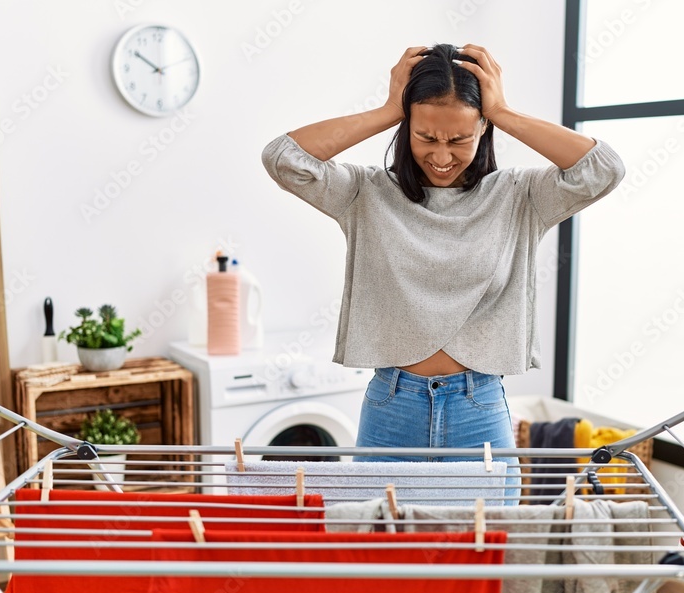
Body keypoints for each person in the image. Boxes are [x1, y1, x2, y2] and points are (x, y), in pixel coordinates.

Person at [262, 43, 625, 502]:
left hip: (479, 409)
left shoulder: (521, 196)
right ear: (405, 128)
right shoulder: (365, 192)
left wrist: (502, 110)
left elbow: (604, 168)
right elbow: (283, 157)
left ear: (483, 131)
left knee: (483, 558)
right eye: (425, 136)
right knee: (380, 559)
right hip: (392, 407)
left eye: (459, 140)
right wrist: (388, 109)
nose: (441, 156)